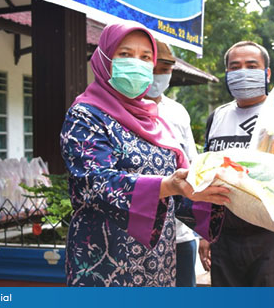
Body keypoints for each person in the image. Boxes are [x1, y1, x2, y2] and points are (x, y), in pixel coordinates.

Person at [60, 21, 229, 287]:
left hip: (157, 259)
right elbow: (94, 184)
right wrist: (167, 185)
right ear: (105, 59)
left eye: (145, 57)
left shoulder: (153, 118)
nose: (136, 63)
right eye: (125, 54)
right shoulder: (86, 115)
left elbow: (181, 186)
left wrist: (218, 191)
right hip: (105, 261)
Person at [198, 41, 274, 287]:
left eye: (251, 65)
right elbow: (208, 176)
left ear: (267, 73)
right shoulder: (217, 117)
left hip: (271, 236)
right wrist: (206, 231)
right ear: (227, 73)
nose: (243, 72)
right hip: (224, 236)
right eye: (235, 67)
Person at [143, 41, 200, 287]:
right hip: (140, 232)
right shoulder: (118, 111)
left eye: (164, 69)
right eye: (153, 68)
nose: (158, 75)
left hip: (180, 233)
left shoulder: (178, 112)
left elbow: (194, 164)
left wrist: (202, 227)